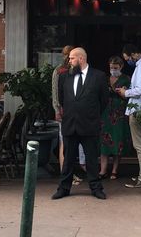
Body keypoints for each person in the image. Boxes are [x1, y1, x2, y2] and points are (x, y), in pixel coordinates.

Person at [52, 47, 109, 200]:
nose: (69, 61)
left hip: (89, 125)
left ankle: (96, 188)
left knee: (91, 159)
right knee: (68, 159)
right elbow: (62, 99)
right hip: (70, 124)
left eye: (71, 58)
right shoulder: (64, 77)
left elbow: (104, 101)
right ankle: (63, 188)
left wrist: (91, 114)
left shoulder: (99, 76)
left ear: (81, 59)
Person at [115, 43, 141, 189]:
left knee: (140, 145)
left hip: (140, 110)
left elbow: (140, 90)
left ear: (133, 54)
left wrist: (125, 93)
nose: (128, 62)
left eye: (127, 59)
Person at [51, 45, 86, 184]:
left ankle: (68, 173)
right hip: (65, 111)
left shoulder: (67, 70)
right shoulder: (61, 71)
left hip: (69, 111)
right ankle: (66, 174)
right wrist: (57, 110)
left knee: (67, 143)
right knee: (64, 143)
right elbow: (55, 93)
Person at [99, 56, 132, 180]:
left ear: (121, 67)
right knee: (104, 142)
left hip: (119, 114)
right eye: (111, 67)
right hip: (105, 113)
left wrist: (122, 93)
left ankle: (114, 170)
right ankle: (103, 170)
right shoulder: (105, 79)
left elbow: (130, 97)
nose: (113, 70)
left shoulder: (126, 79)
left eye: (116, 68)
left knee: (118, 141)